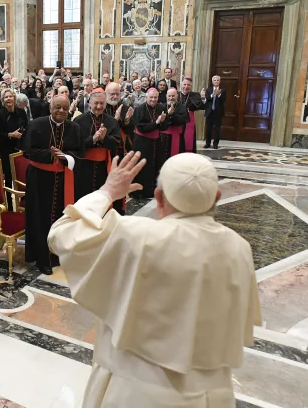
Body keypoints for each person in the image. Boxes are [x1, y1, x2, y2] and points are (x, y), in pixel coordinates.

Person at [49, 152, 261, 408]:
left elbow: (61, 235)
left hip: (135, 395)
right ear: (216, 197)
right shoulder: (240, 248)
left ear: (159, 198)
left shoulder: (135, 235)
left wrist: (107, 191)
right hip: (212, 397)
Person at [23, 94, 82, 275]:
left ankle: (58, 254)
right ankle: (42, 259)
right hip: (39, 180)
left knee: (60, 218)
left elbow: (79, 151)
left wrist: (65, 157)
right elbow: (27, 151)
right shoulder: (36, 124)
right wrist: (50, 155)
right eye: (57, 107)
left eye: (65, 108)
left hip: (63, 179)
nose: (61, 111)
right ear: (50, 107)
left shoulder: (74, 127)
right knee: (40, 218)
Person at [74, 90, 123, 212]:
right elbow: (74, 144)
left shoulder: (111, 121)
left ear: (105, 104)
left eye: (102, 103)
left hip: (104, 167)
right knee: (84, 199)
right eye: (96, 103)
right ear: (89, 103)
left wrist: (104, 138)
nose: (99, 106)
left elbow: (118, 143)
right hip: (84, 167)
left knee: (103, 198)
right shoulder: (79, 121)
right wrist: (93, 139)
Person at [0, 88, 28, 210]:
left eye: (10, 96)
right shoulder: (0, 114)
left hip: (20, 149)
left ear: (14, 98)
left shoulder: (21, 112)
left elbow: (26, 127)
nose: (9, 99)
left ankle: (24, 202)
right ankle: (10, 207)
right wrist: (10, 134)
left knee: (24, 176)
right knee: (8, 179)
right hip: (6, 150)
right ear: (3, 100)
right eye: (6, 97)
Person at [132, 88, 168, 199]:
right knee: (143, 166)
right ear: (146, 97)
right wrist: (156, 123)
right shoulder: (139, 109)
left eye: (155, 97)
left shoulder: (161, 108)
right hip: (142, 142)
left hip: (156, 141)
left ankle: (154, 190)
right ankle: (141, 192)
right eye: (151, 97)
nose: (153, 99)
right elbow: (141, 128)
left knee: (157, 165)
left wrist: (161, 123)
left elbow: (165, 126)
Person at [161, 88, 190, 160]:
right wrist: (168, 114)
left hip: (177, 136)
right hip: (163, 137)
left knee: (176, 158)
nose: (171, 98)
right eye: (169, 96)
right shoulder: (161, 106)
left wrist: (173, 114)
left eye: (173, 96)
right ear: (166, 96)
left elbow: (183, 120)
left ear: (177, 96)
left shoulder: (182, 107)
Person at [178, 77, 205, 153]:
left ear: (191, 86)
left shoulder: (195, 95)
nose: (186, 87)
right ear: (181, 84)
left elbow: (202, 106)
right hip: (177, 119)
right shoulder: (176, 94)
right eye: (185, 84)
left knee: (188, 138)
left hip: (189, 119)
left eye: (188, 85)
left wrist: (202, 98)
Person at [204, 75, 226, 149]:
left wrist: (219, 94)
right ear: (212, 81)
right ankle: (207, 143)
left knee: (217, 129)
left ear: (219, 81)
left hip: (218, 112)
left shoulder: (223, 90)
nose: (216, 81)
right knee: (208, 128)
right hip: (210, 112)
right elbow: (207, 98)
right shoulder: (209, 89)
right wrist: (213, 94)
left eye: (217, 80)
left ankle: (215, 144)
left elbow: (224, 100)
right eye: (215, 80)